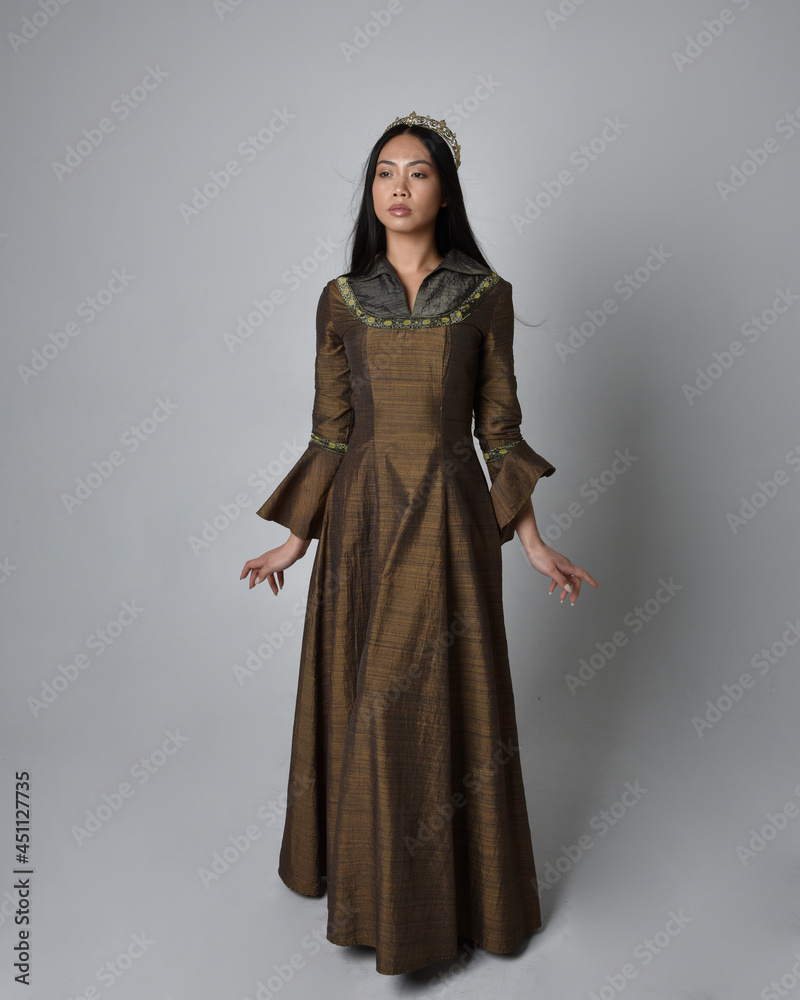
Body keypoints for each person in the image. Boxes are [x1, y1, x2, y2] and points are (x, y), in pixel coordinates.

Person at [240, 111, 598, 976]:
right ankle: (372, 888)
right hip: (360, 522)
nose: (398, 188)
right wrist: (296, 539)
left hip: (447, 519)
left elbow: (498, 432)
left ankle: (438, 907)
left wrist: (534, 542)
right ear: (372, 190)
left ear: (445, 190)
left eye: (418, 172)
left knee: (426, 700)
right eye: (385, 172)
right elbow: (330, 432)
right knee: (366, 693)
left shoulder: (486, 295)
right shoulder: (340, 299)